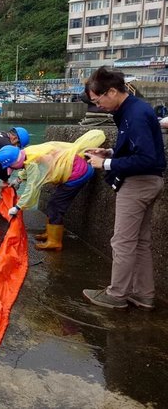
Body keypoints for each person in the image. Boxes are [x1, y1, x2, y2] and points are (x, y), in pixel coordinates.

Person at [83, 66, 165, 310]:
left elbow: (147, 158)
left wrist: (106, 163)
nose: (98, 107)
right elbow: (135, 149)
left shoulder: (136, 114)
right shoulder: (131, 110)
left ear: (111, 92)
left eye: (98, 100)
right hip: (148, 181)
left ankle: (116, 294)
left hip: (139, 183)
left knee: (123, 241)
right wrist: (108, 152)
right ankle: (143, 293)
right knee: (140, 241)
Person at [0, 129, 106, 250]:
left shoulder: (33, 164)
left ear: (15, 163)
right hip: (75, 168)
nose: (13, 169)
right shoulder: (27, 153)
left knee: (55, 207)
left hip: (77, 174)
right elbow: (28, 168)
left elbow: (32, 189)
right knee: (52, 205)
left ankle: (55, 242)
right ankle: (50, 233)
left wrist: (17, 207)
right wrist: (19, 180)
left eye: (11, 167)